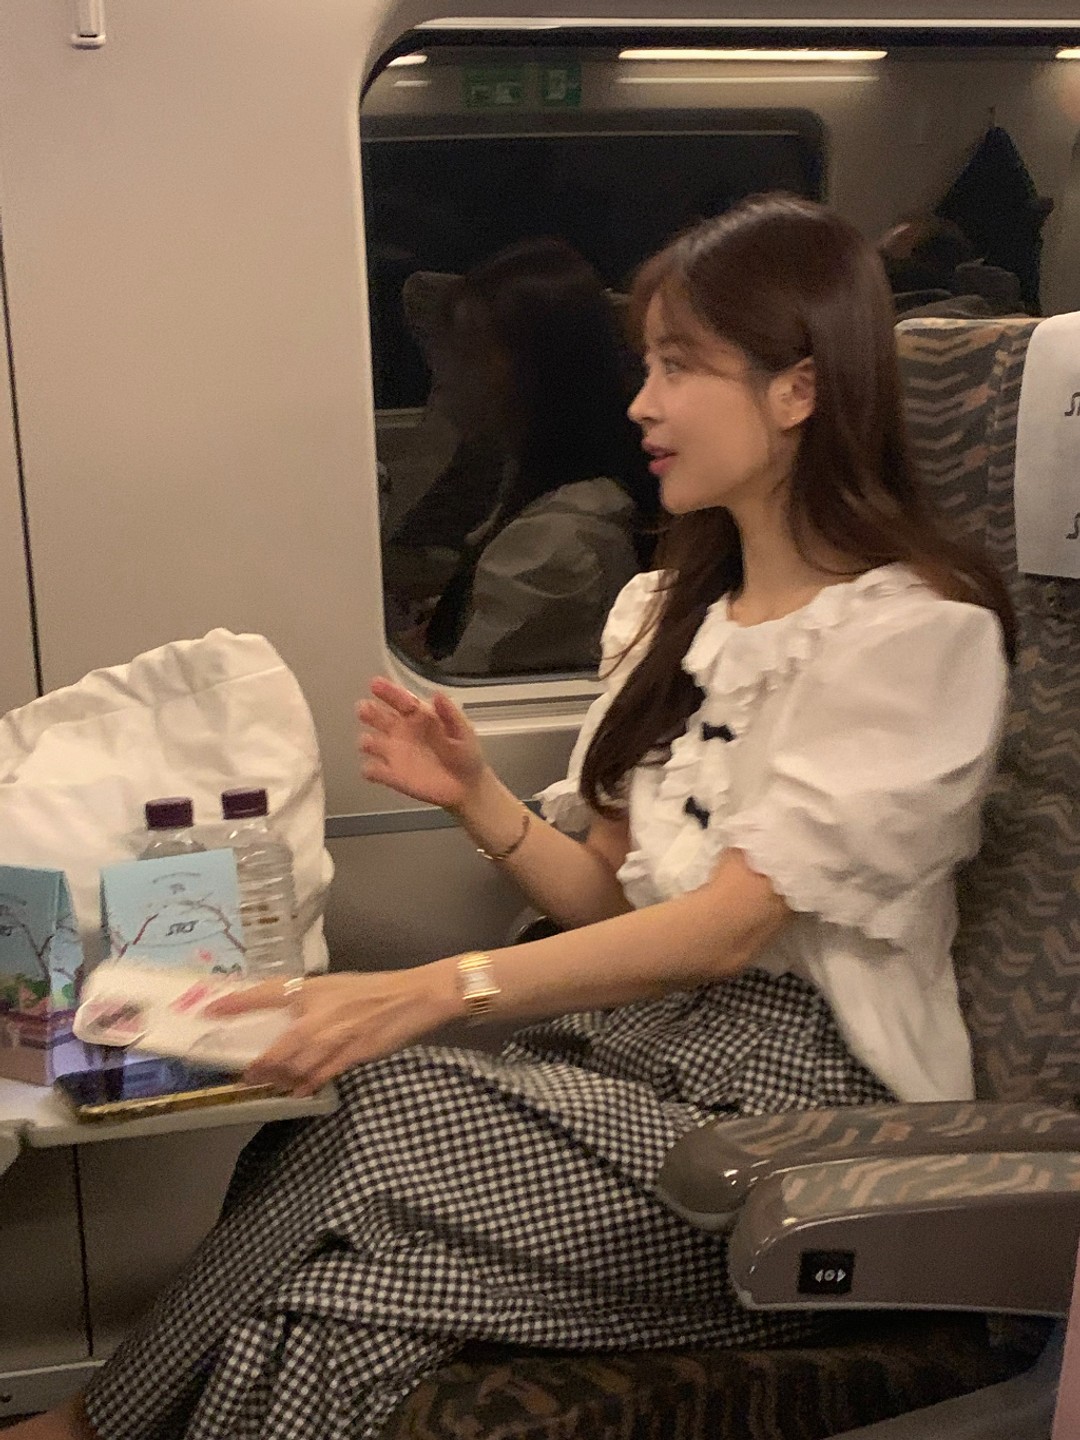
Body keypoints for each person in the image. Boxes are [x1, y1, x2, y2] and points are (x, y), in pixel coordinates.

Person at [14, 194, 1012, 1440]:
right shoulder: (667, 615)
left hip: (793, 1124)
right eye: (644, 364)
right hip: (630, 1061)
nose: (641, 402)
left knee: (392, 1106)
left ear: (799, 388)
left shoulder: (914, 638)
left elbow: (722, 933)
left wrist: (430, 991)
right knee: (327, 1286)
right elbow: (608, 902)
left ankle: (85, 1428)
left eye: (679, 366)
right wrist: (476, 799)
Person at [384, 238, 656, 675]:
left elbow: (462, 684)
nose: (446, 376)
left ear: (537, 373)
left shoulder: (557, 546)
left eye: (468, 355)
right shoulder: (533, 476)